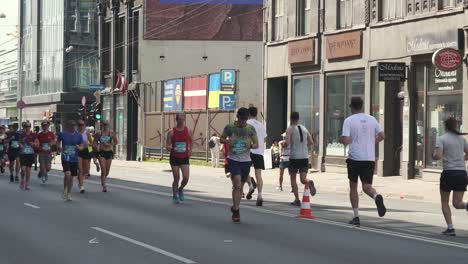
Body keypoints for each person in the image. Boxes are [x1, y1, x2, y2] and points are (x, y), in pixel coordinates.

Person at [342, 97, 386, 227]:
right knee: (367, 186)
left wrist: (349, 140)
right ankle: (376, 196)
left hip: (355, 158)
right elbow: (383, 135)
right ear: (362, 106)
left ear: (352, 107)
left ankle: (356, 217)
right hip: (369, 158)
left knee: (353, 187)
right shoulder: (372, 119)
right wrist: (373, 141)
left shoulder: (349, 121)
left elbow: (345, 140)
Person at [220, 107, 258, 222]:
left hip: (246, 160)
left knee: (240, 187)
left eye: (245, 119)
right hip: (233, 159)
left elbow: (257, 144)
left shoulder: (250, 129)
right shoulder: (230, 127)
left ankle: (235, 206)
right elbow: (221, 139)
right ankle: (236, 211)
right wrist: (226, 141)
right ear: (238, 117)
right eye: (241, 119)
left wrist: (250, 146)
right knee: (236, 183)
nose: (243, 121)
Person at [432, 117, 468, 236]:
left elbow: (438, 156)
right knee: (458, 203)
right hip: (462, 173)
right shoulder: (462, 139)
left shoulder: (441, 138)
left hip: (448, 173)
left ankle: (450, 228)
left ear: (445, 126)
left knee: (444, 201)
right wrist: (461, 160)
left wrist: (434, 155)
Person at [285, 112, 316, 206]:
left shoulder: (290, 129)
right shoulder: (304, 128)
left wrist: (284, 144)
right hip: (304, 156)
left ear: (290, 119)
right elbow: (311, 142)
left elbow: (288, 143)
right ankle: (309, 181)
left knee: (293, 178)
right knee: (303, 179)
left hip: (294, 156)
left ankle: (297, 199)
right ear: (298, 119)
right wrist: (303, 146)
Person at [166, 113, 192, 204]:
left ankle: (180, 189)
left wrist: (190, 150)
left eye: (182, 119)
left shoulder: (188, 130)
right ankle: (174, 195)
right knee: (176, 177)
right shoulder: (171, 132)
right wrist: (168, 147)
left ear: (184, 119)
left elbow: (190, 141)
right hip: (174, 157)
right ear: (176, 120)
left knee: (186, 178)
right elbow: (167, 145)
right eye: (179, 119)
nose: (181, 121)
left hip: (184, 157)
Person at [57, 120, 84, 201]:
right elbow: (57, 142)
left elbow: (82, 145)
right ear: (68, 126)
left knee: (71, 178)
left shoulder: (79, 135)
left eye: (74, 125)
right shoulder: (63, 134)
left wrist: (79, 148)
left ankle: (68, 193)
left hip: (74, 158)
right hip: (65, 157)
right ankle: (65, 190)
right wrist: (59, 148)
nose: (73, 127)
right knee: (67, 174)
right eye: (71, 125)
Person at [246, 106, 267, 206]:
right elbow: (265, 138)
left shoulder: (247, 123)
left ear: (248, 114)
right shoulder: (261, 125)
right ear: (256, 114)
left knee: (244, 171)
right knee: (259, 174)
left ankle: (250, 185)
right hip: (259, 152)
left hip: (249, 150)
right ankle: (260, 195)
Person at [95, 121, 118, 192]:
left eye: (107, 125)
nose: (106, 126)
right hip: (101, 152)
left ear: (109, 126)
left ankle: (103, 179)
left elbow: (116, 142)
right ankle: (104, 185)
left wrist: (110, 144)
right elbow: (94, 142)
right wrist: (97, 147)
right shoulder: (99, 133)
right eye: (104, 125)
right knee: (103, 169)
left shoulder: (111, 133)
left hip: (109, 152)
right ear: (103, 126)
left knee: (107, 171)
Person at [19, 121, 39, 190]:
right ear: (24, 127)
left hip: (30, 154)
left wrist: (33, 144)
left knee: (28, 170)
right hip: (23, 154)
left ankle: (27, 184)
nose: (27, 128)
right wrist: (21, 145)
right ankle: (22, 180)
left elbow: (37, 144)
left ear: (30, 127)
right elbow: (19, 142)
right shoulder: (22, 134)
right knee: (23, 170)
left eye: (28, 126)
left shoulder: (33, 135)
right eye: (26, 127)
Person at [77, 120, 92, 193]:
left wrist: (90, 150)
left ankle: (80, 181)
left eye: (82, 125)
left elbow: (91, 143)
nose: (81, 126)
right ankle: (81, 186)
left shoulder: (87, 133)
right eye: (79, 125)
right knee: (80, 169)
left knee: (85, 171)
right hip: (78, 152)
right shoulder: (75, 133)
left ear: (84, 126)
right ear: (78, 126)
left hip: (86, 151)